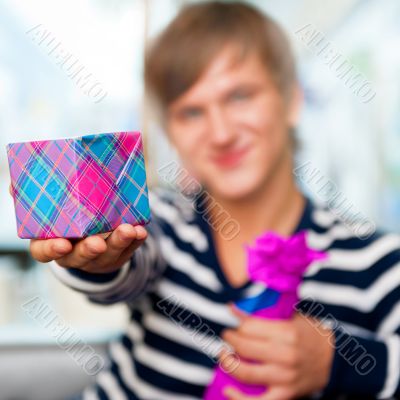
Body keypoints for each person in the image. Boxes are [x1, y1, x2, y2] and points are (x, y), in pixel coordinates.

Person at [27, 2, 400, 399]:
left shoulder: (374, 262)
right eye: (191, 112)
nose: (220, 133)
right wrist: (95, 259)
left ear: (291, 100)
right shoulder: (164, 223)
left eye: (240, 96)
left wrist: (339, 364)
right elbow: (116, 272)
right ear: (171, 131)